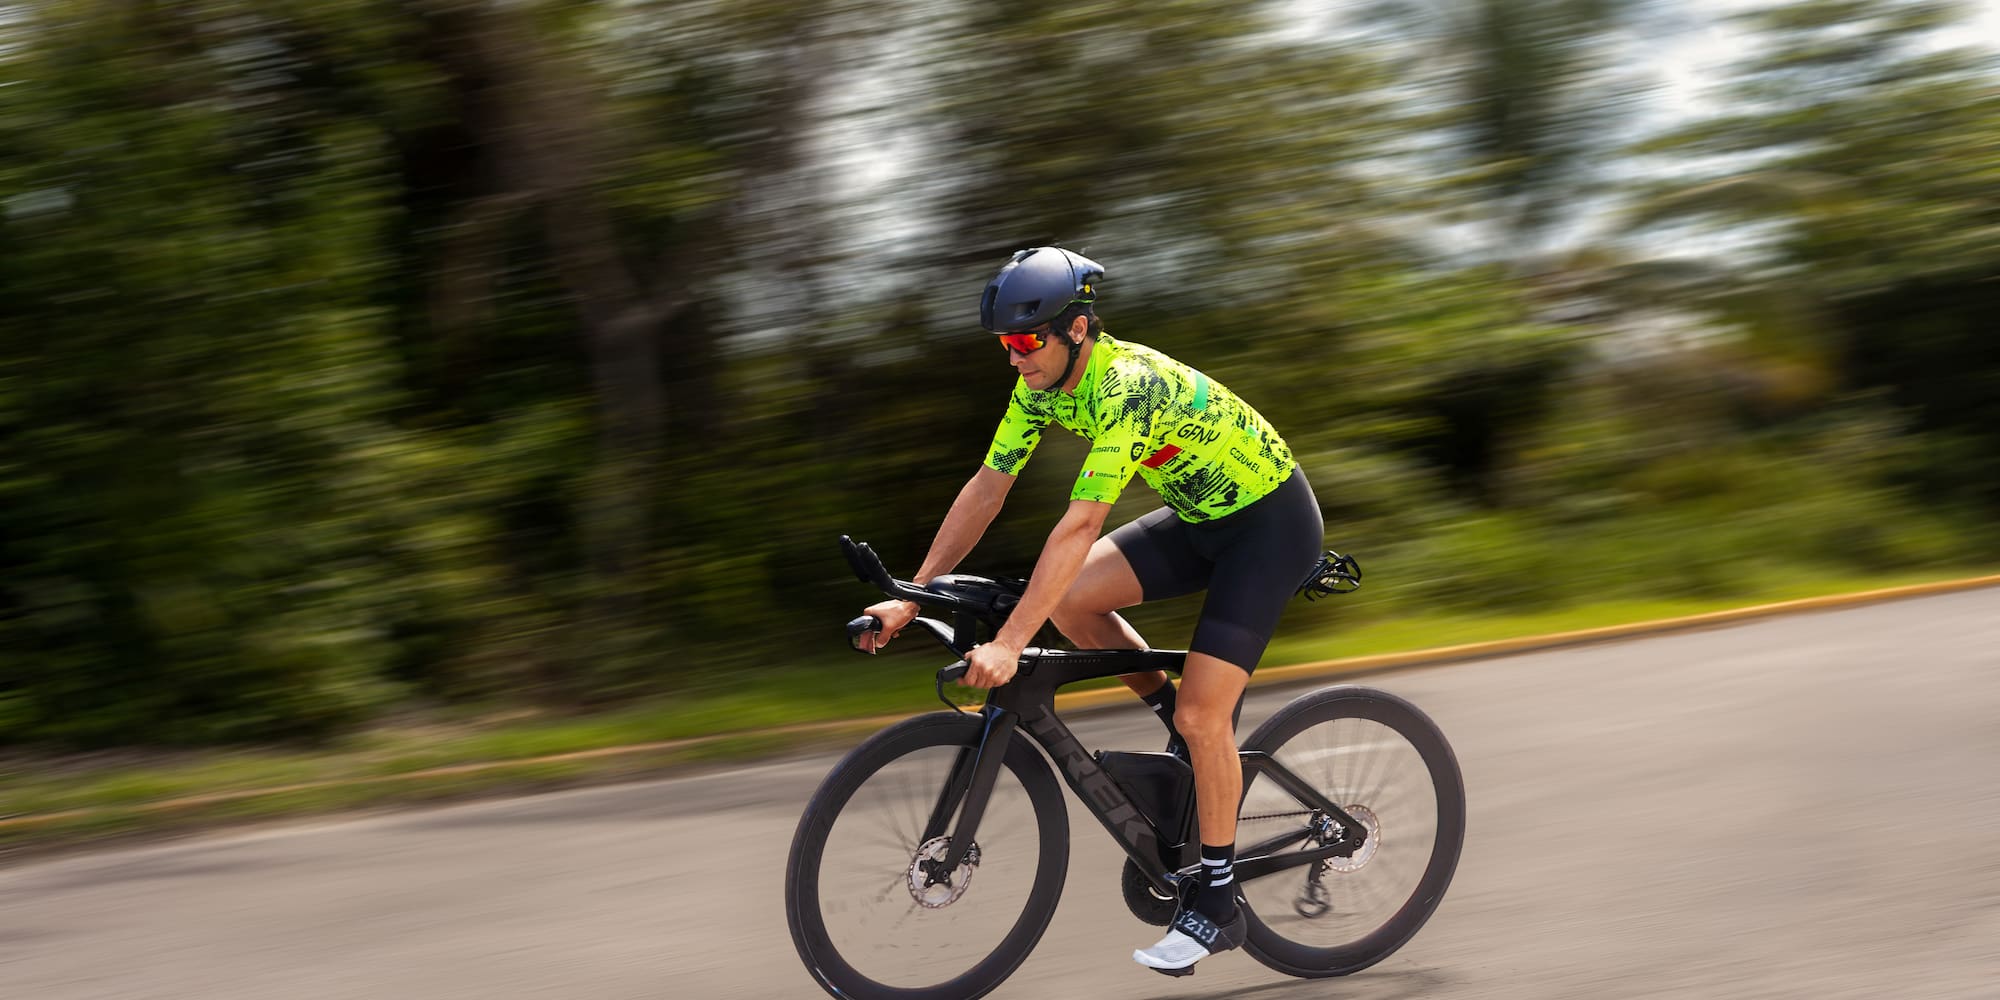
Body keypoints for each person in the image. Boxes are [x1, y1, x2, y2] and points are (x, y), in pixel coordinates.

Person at [857, 246, 1323, 975]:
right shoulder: (1040, 387)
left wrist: (1011, 641)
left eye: (1024, 340)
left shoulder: (1126, 385)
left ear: (1076, 329)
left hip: (1269, 526)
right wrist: (910, 598)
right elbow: (987, 488)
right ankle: (1177, 724)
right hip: (1200, 517)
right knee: (1075, 603)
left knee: (1209, 715)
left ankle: (1220, 902)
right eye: (1004, 345)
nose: (1014, 358)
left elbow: (1079, 526)